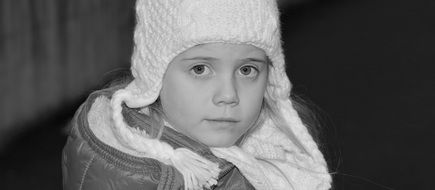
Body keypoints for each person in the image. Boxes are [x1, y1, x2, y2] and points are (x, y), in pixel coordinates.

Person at [62, 0, 332, 189]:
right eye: (200, 69)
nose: (228, 95)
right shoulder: (151, 178)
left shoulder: (275, 150)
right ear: (155, 72)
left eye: (247, 70)